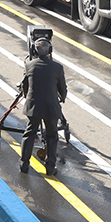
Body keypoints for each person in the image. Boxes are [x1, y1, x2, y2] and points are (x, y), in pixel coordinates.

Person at [19, 38, 66, 175]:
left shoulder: (29, 65)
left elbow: (25, 86)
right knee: (52, 136)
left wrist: (29, 96)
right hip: (51, 107)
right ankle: (50, 168)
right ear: (49, 51)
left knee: (29, 134)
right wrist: (62, 98)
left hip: (33, 106)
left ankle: (24, 165)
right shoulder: (57, 68)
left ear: (35, 51)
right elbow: (62, 88)